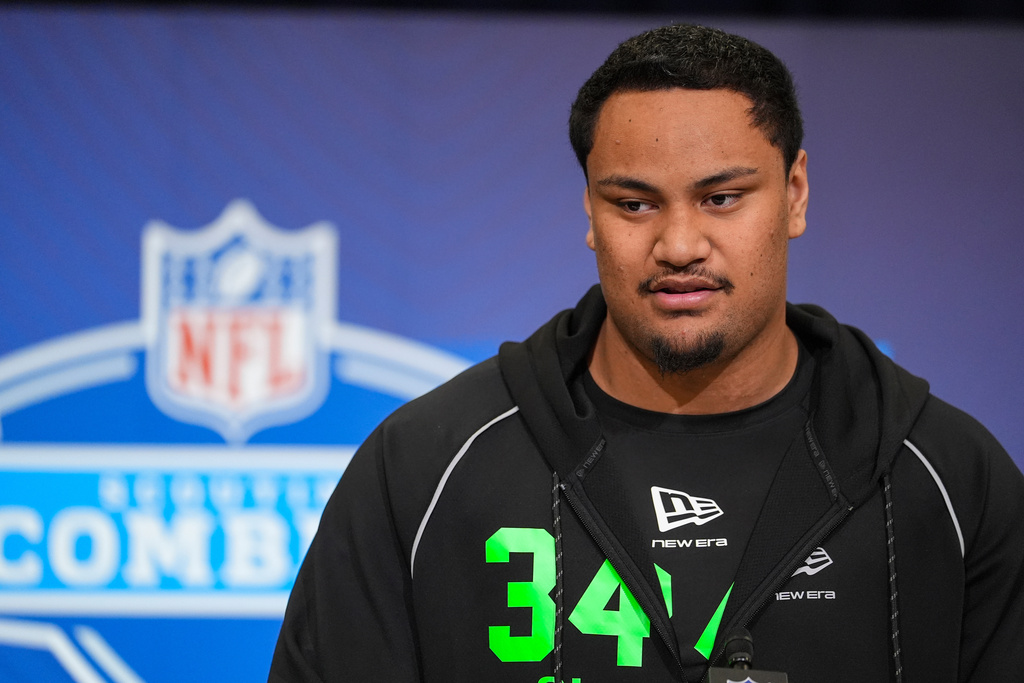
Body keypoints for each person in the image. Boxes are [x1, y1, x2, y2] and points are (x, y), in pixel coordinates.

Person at [269, 23, 1024, 683]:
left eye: (722, 197)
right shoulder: (424, 470)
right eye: (634, 203)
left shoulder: (951, 477)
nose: (679, 245)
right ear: (590, 212)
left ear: (795, 193)